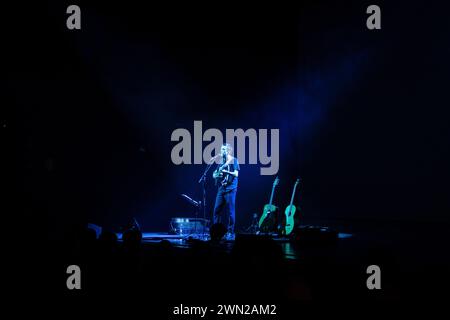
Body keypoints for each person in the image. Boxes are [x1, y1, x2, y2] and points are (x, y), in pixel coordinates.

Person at [212, 143, 240, 239]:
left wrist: (225, 171)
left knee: (230, 212)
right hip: (221, 189)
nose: (221, 151)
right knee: (216, 210)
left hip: (231, 188)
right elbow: (215, 173)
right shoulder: (221, 162)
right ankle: (216, 231)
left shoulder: (233, 160)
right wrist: (215, 175)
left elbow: (236, 174)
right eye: (221, 149)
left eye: (223, 149)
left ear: (228, 150)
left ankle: (230, 232)